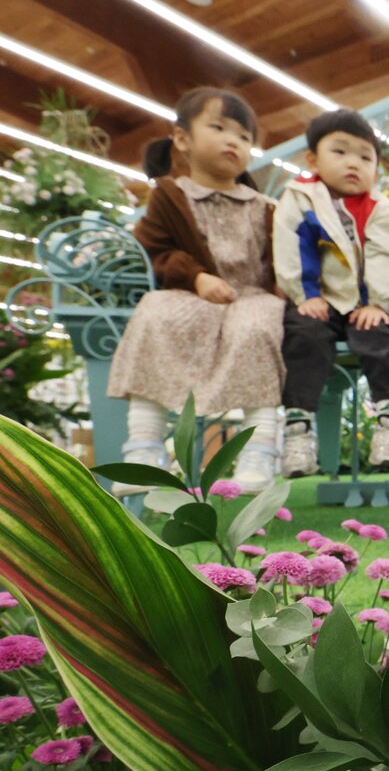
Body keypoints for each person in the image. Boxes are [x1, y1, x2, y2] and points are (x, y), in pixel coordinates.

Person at [107, 87, 285, 496]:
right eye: (219, 127)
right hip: (191, 295)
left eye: (243, 136)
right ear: (182, 139)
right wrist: (198, 277)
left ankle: (259, 449)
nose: (233, 141)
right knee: (155, 312)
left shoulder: (266, 205)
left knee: (260, 326)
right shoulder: (170, 195)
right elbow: (156, 249)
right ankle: (144, 448)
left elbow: (279, 262)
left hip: (252, 297)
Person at [273, 109, 389, 476]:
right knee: (304, 336)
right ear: (312, 159)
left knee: (383, 337)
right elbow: (293, 247)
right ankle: (298, 428)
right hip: (318, 298)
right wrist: (306, 296)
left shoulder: (378, 207)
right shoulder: (301, 198)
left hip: (365, 301)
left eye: (365, 157)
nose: (353, 164)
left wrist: (378, 303)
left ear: (376, 169)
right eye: (340, 152)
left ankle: (388, 424)